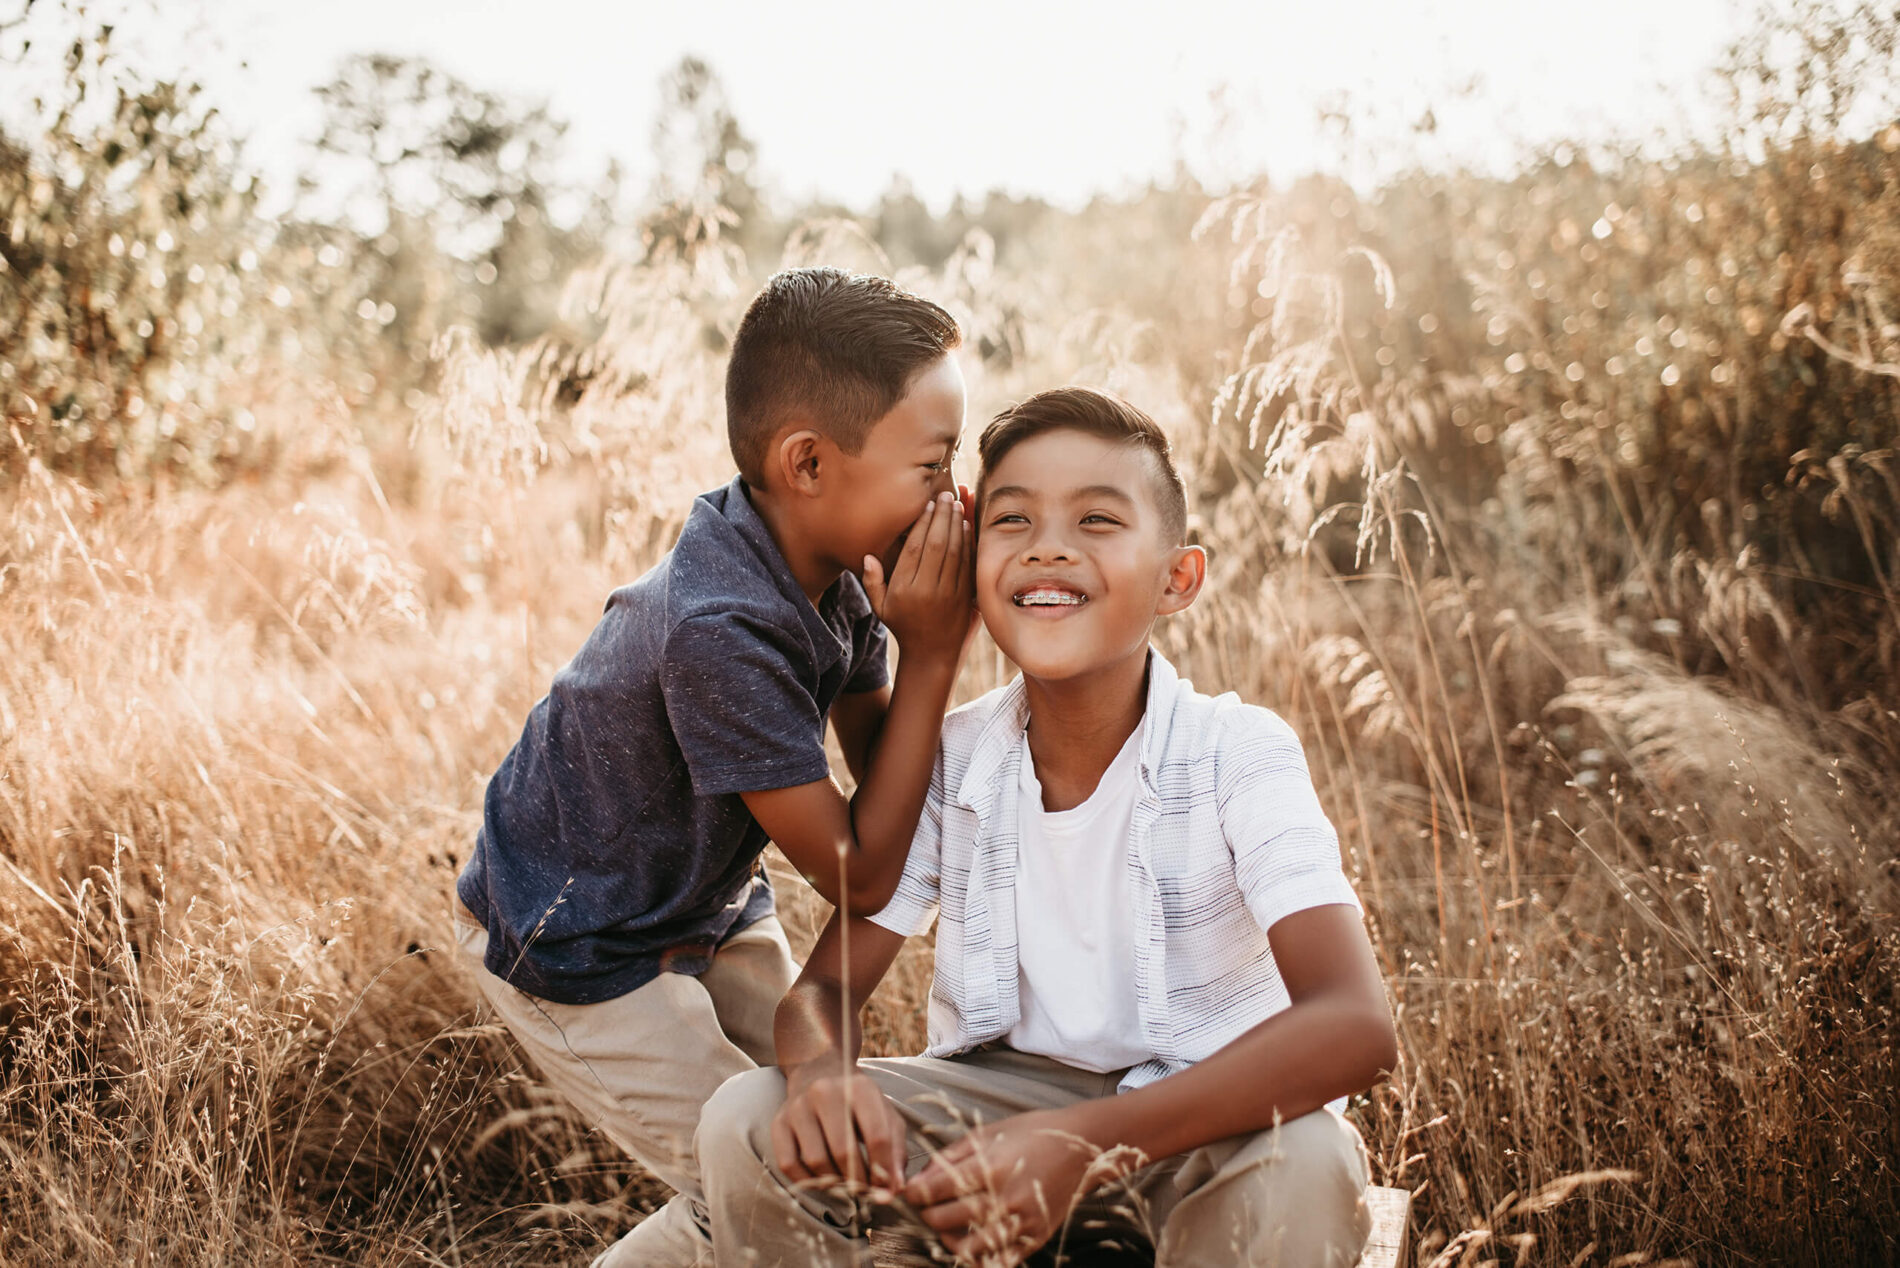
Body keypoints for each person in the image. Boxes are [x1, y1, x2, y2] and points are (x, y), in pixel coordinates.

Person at [698, 387, 1398, 1267]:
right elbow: (821, 996)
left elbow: (1356, 1027)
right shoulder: (958, 758)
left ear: (1178, 579)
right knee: (747, 1119)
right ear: (968, 563)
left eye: (1099, 520)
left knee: (1310, 1158)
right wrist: (820, 1075)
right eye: (1012, 521)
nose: (1050, 547)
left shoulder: (1238, 752)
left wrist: (1086, 1145)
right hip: (993, 1127)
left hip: (1198, 1127)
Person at [451, 267, 978, 1267]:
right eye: (932, 463)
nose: (951, 494)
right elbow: (861, 870)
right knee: (751, 1181)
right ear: (810, 462)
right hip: (583, 942)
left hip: (704, 898)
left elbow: (883, 784)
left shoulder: (833, 569)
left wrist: (913, 642)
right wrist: (937, 653)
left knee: (813, 1154)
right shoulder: (720, 628)